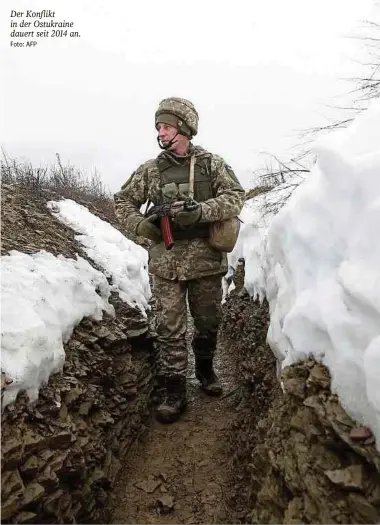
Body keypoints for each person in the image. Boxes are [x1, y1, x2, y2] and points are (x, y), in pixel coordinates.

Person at [114, 97, 245, 423]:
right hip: (166, 264)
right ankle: (175, 390)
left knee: (207, 322)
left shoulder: (211, 165)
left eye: (167, 125)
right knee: (169, 328)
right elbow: (122, 201)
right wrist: (141, 225)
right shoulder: (150, 170)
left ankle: (204, 370)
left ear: (184, 128)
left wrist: (201, 211)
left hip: (205, 261)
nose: (161, 131)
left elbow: (235, 197)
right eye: (159, 126)